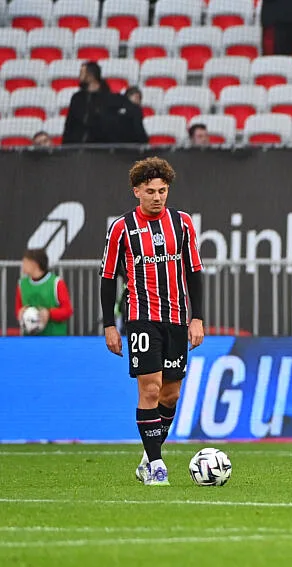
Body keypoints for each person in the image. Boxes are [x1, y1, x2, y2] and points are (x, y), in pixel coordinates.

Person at [100, 157, 205, 486]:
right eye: (151, 191)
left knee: (171, 393)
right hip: (141, 316)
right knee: (150, 388)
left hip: (176, 317)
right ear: (137, 192)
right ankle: (158, 466)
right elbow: (107, 279)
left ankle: (148, 454)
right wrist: (109, 324)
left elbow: (194, 273)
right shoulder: (122, 228)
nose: (158, 197)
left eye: (162, 191)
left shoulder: (183, 223)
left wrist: (197, 317)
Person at [16, 248, 73, 336]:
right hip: (30, 339)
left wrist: (49, 313)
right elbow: (18, 308)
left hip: (54, 338)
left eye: (25, 262)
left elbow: (67, 310)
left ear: (34, 264)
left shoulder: (56, 283)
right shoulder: (22, 284)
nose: (23, 265)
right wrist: (21, 313)